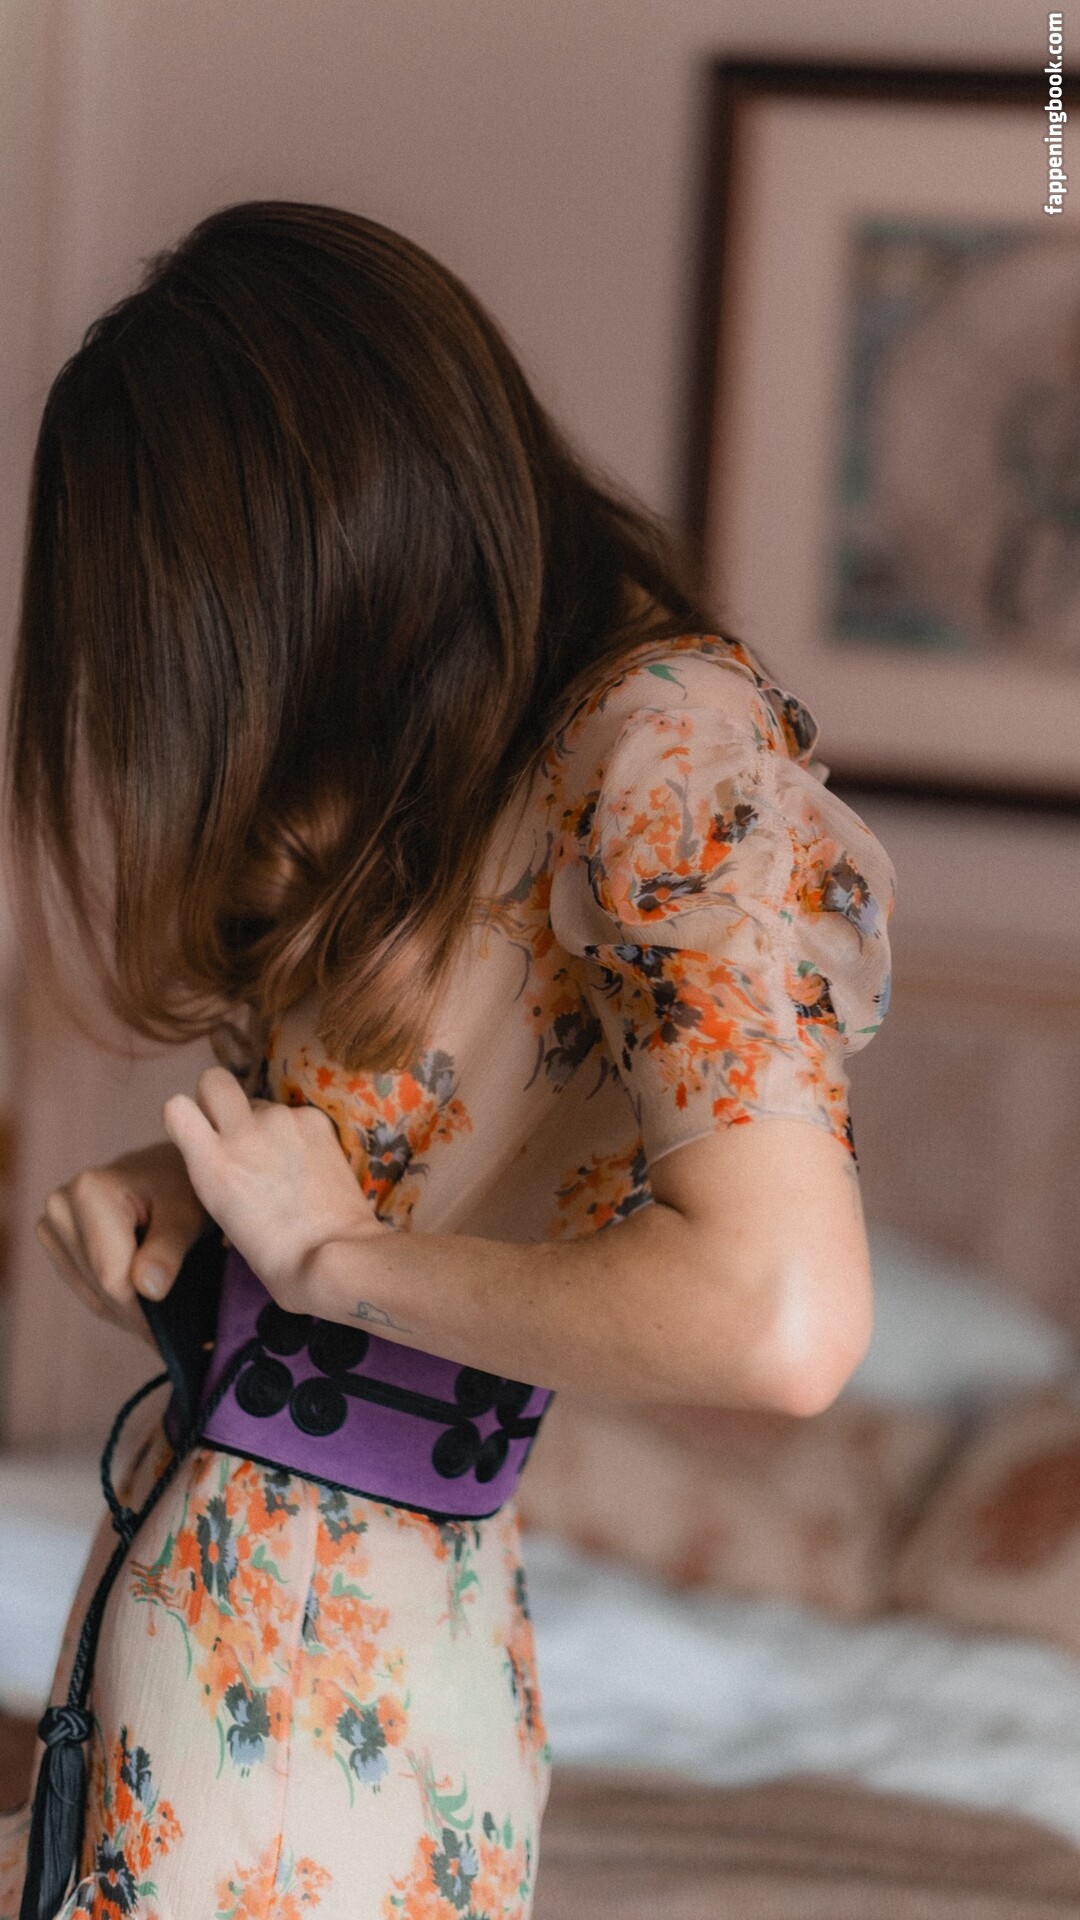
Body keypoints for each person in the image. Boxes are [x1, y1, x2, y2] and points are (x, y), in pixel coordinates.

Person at [0, 201, 894, 1920]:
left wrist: (335, 1259)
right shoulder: (466, 745)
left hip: (329, 1695)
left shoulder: (664, 752)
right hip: (243, 1633)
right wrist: (201, 1192)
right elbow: (438, 1147)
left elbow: (782, 1315)